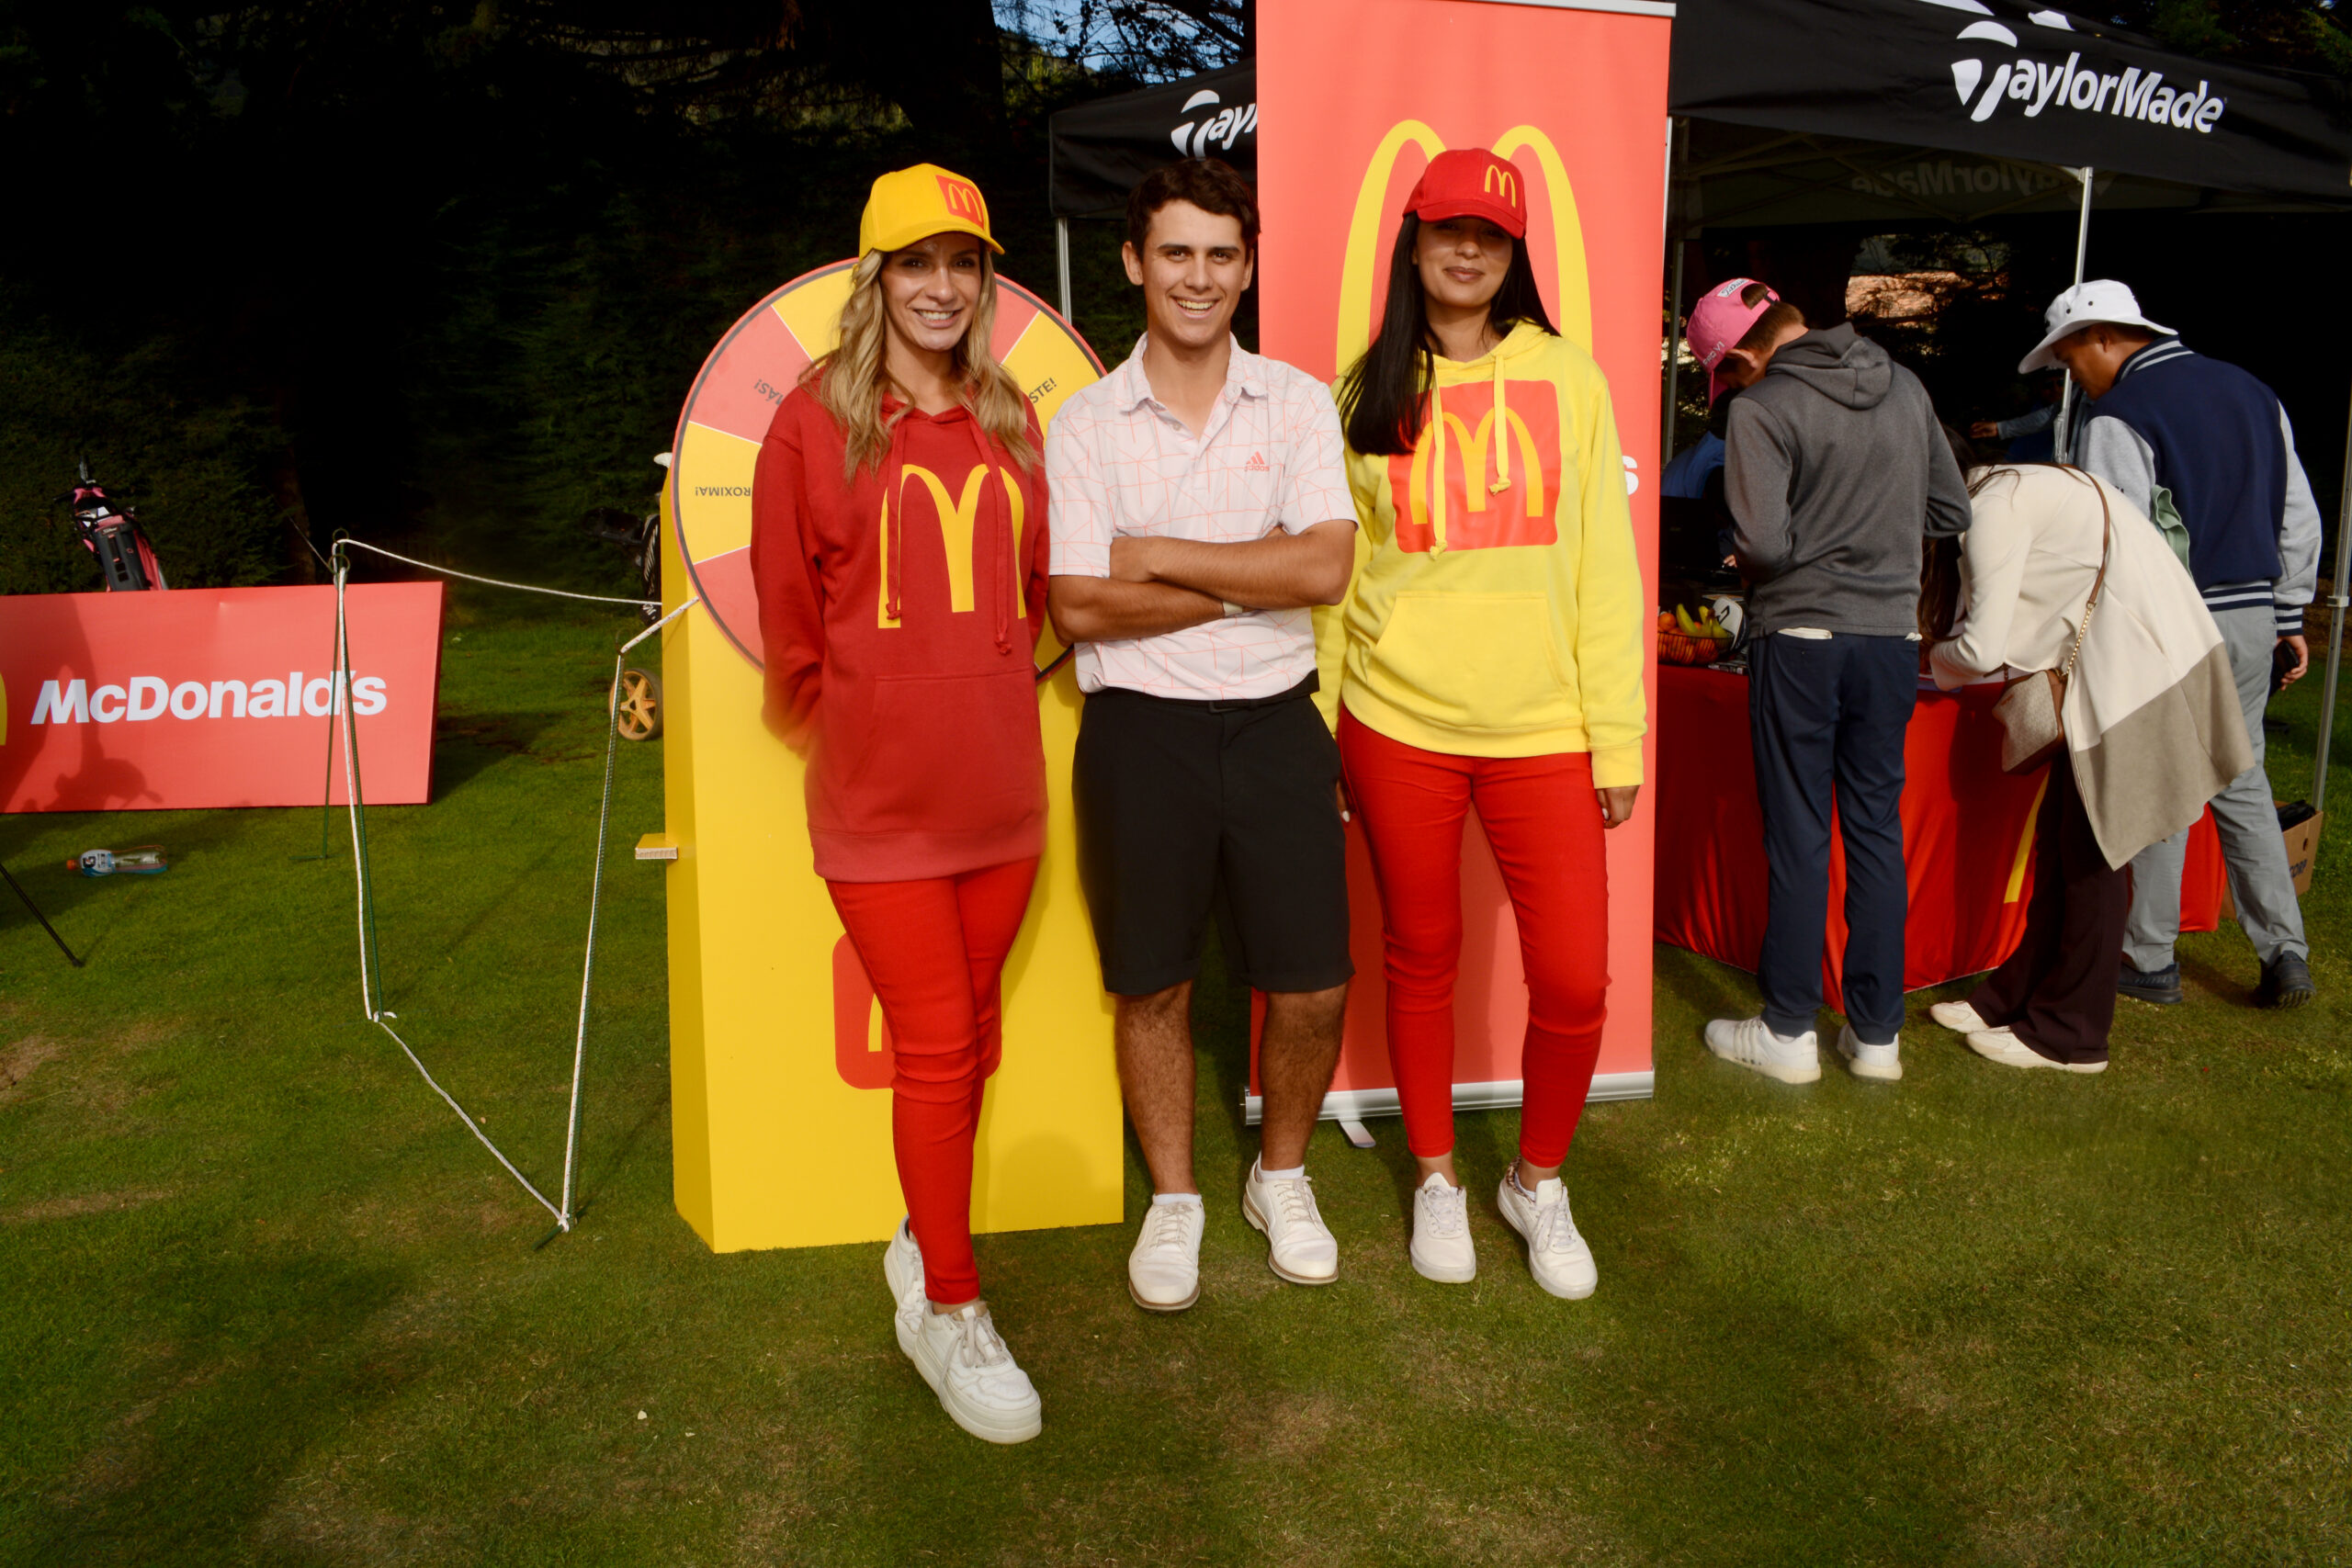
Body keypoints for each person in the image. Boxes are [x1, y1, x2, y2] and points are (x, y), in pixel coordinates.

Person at [751, 164, 1050, 1444]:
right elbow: (788, 627)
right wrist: (871, 730)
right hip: (881, 810)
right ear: (875, 278)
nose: (942, 287)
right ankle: (950, 1304)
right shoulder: (811, 423)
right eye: (917, 263)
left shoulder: (1012, 415)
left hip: (1004, 801)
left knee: (969, 1036)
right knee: (933, 1048)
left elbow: (1035, 592)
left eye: (963, 263)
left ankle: (921, 1235)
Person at [1324, 148, 1645, 1297]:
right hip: (1394, 721)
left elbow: (1605, 571)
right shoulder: (1362, 392)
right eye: (1447, 228)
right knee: (1419, 959)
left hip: (1544, 729)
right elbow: (1336, 580)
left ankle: (1535, 1180)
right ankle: (1434, 1177)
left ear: (1514, 255)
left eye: (1490, 234)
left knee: (1574, 982)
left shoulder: (1570, 378)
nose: (1467, 249)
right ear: (1412, 243)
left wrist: (1615, 735)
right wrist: (1322, 721)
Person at [1045, 158, 1358, 1312]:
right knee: (1153, 986)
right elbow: (1079, 606)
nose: (1198, 276)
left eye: (1222, 254)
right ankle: (1175, 1197)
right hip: (1139, 733)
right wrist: (1248, 579)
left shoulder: (1297, 402)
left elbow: (1323, 569)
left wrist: (1159, 558)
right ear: (1134, 262)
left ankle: (1281, 1176)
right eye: (1175, 251)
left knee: (1313, 985)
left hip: (1276, 722)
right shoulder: (1084, 423)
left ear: (1248, 267)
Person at [1689, 280, 1972, 1084]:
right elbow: (1951, 509)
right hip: (1889, 638)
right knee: (1875, 829)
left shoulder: (1762, 407)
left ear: (1740, 359)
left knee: (1801, 834)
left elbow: (1764, 547)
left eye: (1725, 376)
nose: (1730, 391)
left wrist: (1790, 541)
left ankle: (1788, 1029)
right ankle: (1877, 1036)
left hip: (1803, 637)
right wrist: (1875, 530)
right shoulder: (1904, 385)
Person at [2025, 280, 2321, 1009]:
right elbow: (2299, 515)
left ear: (2101, 337)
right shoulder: (2255, 392)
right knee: (2241, 777)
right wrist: (2289, 613)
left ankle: (2149, 956)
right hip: (2252, 614)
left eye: (2069, 361)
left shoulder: (2119, 413)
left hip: (2175, 619)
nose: (2073, 378)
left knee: (2167, 775)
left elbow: (2115, 537)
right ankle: (2285, 949)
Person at [1923, 434, 2253, 1072]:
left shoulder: (1993, 509)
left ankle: (2071, 1035)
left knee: (2093, 856)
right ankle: (2014, 997)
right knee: (2064, 845)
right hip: (2127, 667)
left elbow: (1982, 649)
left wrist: (1931, 656)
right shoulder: (2009, 487)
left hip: (2134, 677)